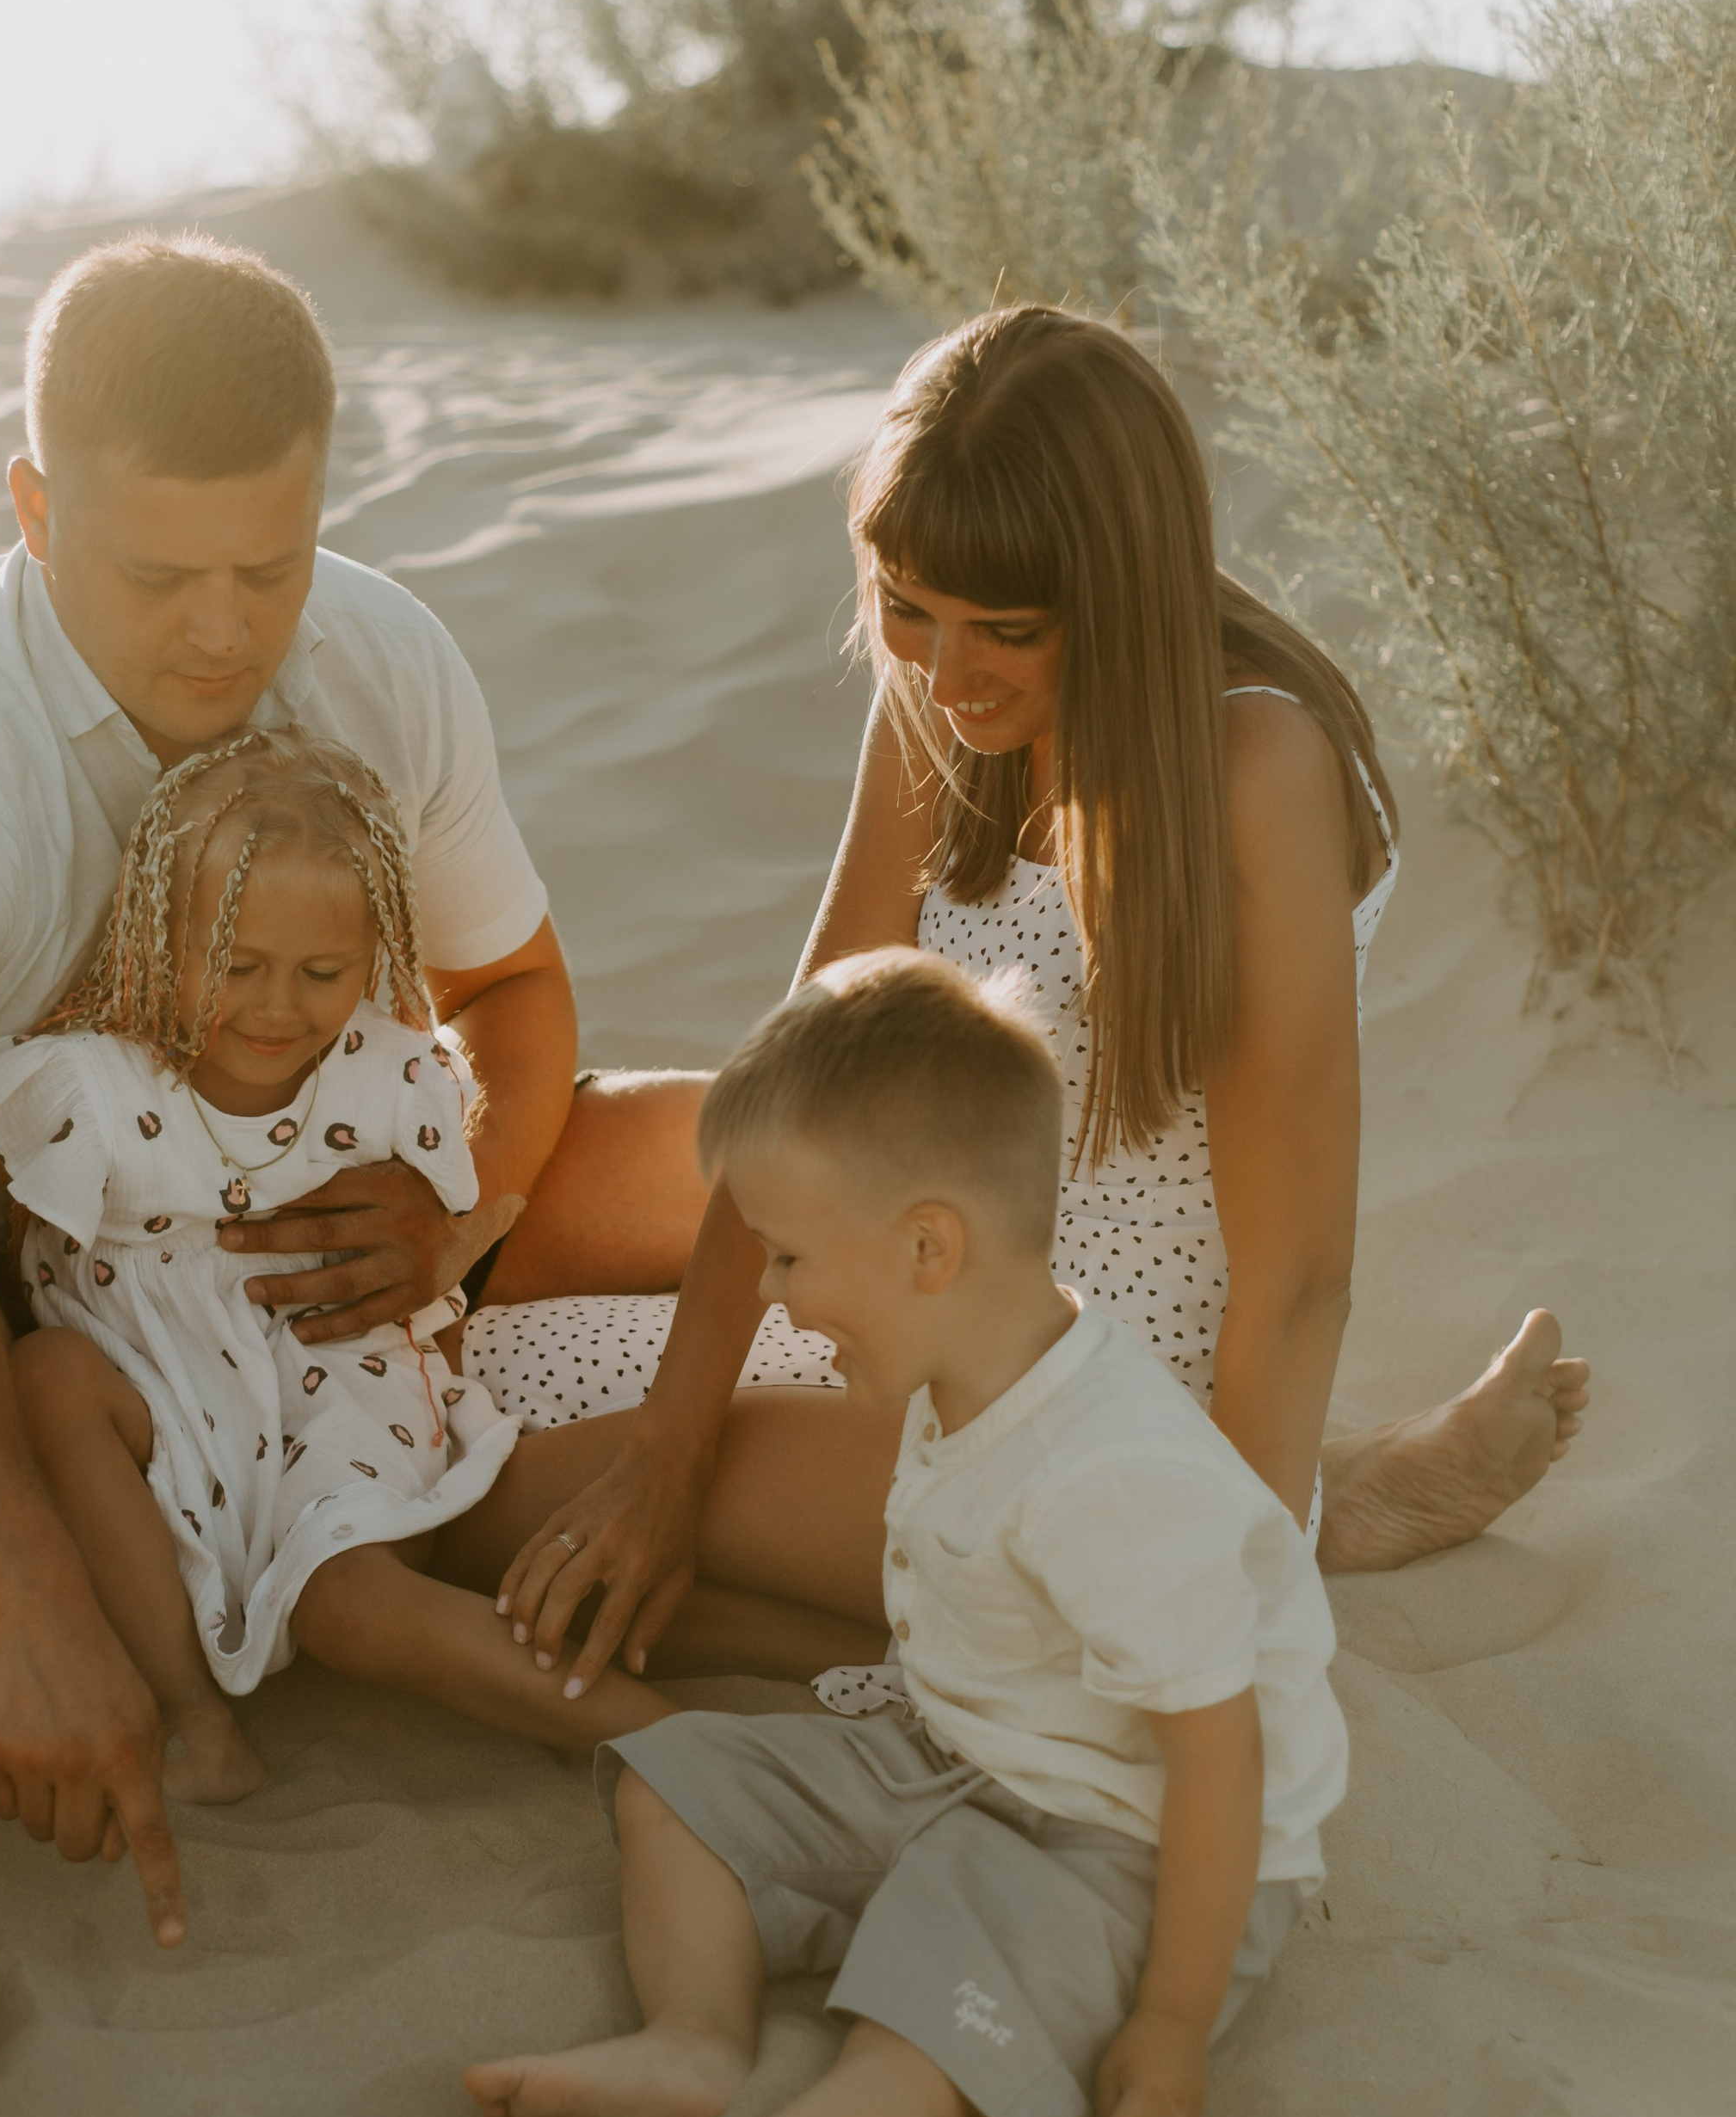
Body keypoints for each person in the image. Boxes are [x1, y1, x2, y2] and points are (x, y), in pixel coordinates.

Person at [0, 232, 695, 2105]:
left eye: (271, 564)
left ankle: (1090, 1439)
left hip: (261, 1178)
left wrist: (458, 1226)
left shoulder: (380, 656)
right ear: (33, 506)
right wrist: (23, 1613)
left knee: (709, 1142)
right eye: (158, 574)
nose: (227, 632)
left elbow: (512, 986)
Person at [453, 307, 1591, 1692]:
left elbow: (1295, 1280)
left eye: (1005, 628)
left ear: (1120, 590)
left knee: (456, 1491)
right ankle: (1320, 1502)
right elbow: (794, 1099)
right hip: (921, 1242)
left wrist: (1207, 1596)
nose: (944, 671)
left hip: (1092, 1385)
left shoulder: (1253, 766)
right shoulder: (945, 692)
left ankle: (1287, 1521)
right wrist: (668, 1449)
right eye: (908, 608)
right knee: (489, 1273)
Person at [432, 952, 1348, 2117]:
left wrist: (1169, 2019)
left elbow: (1220, 1764)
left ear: (928, 1248)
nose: (782, 1299)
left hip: (1135, 1844)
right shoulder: (969, 1363)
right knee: (682, 1782)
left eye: (792, 1257)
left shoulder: (1111, 1476)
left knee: (922, 2037)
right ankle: (696, 2043)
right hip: (978, 1755)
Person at [0, 726, 662, 1763]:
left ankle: (683, 1742)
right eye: (237, 965)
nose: (277, 1006)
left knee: (352, 1611)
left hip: (334, 1387)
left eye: (322, 970)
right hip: (155, 1393)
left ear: (375, 953)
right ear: (163, 935)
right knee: (48, 1379)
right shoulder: (88, 1085)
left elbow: (437, 1260)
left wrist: (437, 1381)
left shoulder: (391, 1080)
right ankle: (185, 1708)